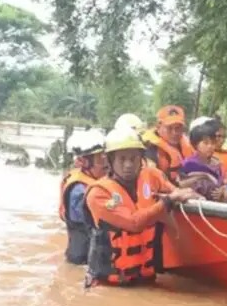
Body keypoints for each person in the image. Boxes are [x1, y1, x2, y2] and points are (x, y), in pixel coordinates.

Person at [85, 128, 198, 287]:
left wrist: (195, 197)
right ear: (110, 161)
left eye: (133, 158)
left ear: (141, 159)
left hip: (145, 279)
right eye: (122, 159)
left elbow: (174, 191)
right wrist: (167, 201)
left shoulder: (151, 176)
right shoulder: (98, 193)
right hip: (110, 285)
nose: (128, 165)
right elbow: (133, 223)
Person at [59, 130, 107, 265]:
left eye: (105, 158)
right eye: (99, 160)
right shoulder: (79, 190)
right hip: (81, 258)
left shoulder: (92, 182)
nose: (105, 165)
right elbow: (94, 220)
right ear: (84, 162)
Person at [141, 105, 195, 183]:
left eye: (178, 128)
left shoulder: (187, 145)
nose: (174, 133)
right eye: (169, 128)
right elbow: (150, 180)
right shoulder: (150, 148)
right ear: (158, 126)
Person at [180, 120, 223, 199]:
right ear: (195, 144)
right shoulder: (189, 164)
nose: (210, 146)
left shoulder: (217, 164)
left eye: (213, 143)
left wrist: (222, 191)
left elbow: (220, 184)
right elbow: (179, 185)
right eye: (206, 143)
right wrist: (203, 176)